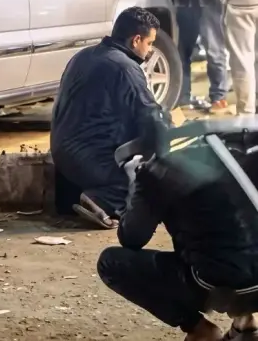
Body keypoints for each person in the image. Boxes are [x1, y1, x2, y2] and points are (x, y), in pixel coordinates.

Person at [97, 130, 258, 341]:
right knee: (235, 232)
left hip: (213, 285)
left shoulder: (159, 169)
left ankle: (200, 329)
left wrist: (136, 181)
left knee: (111, 262)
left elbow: (131, 237)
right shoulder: (248, 148)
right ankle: (246, 321)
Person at [50, 6, 165, 229]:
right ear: (136, 40)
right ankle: (101, 201)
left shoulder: (83, 56)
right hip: (88, 157)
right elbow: (149, 114)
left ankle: (79, 196)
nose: (150, 50)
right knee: (144, 185)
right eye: (149, 43)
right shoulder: (125, 67)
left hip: (61, 154)